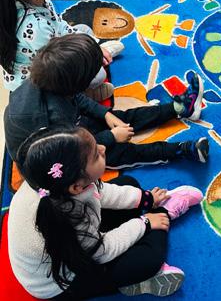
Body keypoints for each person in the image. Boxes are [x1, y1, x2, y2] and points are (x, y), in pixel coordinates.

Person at [8, 126, 203, 298]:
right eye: (95, 155)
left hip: (76, 241)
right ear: (76, 186)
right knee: (149, 260)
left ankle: (133, 272)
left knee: (128, 184)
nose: (102, 148)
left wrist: (147, 199)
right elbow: (102, 251)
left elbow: (99, 192)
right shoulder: (69, 216)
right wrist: (146, 222)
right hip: (61, 283)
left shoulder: (49, 181)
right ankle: (165, 212)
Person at [4, 33, 209, 170]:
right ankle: (181, 150)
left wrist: (106, 114)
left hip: (71, 128)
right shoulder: (51, 115)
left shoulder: (53, 81)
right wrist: (111, 136)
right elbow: (73, 149)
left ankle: (180, 108)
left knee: (124, 117)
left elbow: (77, 98)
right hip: (59, 156)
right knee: (124, 153)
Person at [0, 0, 122, 98]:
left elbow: (58, 24)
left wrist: (92, 47)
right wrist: (92, 55)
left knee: (84, 30)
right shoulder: (37, 28)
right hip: (41, 79)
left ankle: (96, 53)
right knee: (99, 75)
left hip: (48, 48)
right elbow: (56, 67)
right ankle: (81, 97)